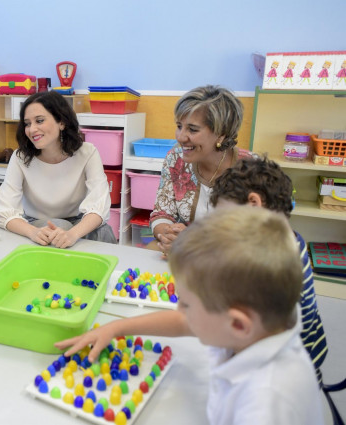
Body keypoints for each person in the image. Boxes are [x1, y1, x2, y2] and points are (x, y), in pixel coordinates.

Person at [56, 206, 324, 424]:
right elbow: (185, 322)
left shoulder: (265, 403)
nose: (179, 311)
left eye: (186, 303)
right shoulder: (263, 320)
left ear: (238, 324)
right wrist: (115, 328)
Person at [210, 156, 327, 383]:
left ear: (254, 204)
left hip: (288, 377)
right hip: (306, 359)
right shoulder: (291, 240)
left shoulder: (272, 272)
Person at [0, 91, 115, 248]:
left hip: (77, 223)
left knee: (103, 231)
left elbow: (100, 207)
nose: (32, 129)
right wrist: (33, 232)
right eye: (27, 124)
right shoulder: (20, 157)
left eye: (40, 121)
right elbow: (4, 212)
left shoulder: (87, 152)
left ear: (62, 122)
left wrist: (72, 235)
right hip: (34, 224)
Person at [150, 85, 255, 255]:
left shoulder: (251, 168)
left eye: (192, 129)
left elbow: (259, 235)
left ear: (221, 134)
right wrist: (169, 236)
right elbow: (162, 213)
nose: (181, 137)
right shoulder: (175, 159)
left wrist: (195, 242)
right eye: (179, 126)